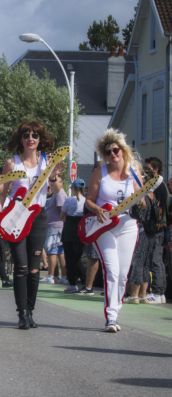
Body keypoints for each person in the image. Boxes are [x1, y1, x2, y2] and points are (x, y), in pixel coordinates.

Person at [0, 120, 61, 329]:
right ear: (20, 139)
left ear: (40, 139)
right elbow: (2, 193)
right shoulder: (12, 163)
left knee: (34, 269)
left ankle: (30, 311)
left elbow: (57, 190)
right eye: (26, 135)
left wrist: (53, 175)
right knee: (20, 267)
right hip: (16, 215)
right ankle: (21, 313)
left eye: (34, 135)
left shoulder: (46, 161)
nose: (30, 139)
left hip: (39, 216)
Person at [85, 128, 143, 332]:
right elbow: (89, 200)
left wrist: (142, 201)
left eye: (116, 150)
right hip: (104, 226)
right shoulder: (100, 171)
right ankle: (110, 316)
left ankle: (116, 311)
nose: (113, 154)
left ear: (123, 149)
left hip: (127, 225)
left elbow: (141, 198)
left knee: (123, 274)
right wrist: (97, 209)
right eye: (108, 152)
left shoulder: (133, 171)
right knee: (112, 270)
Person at [126, 166, 160, 304]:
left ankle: (134, 295)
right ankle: (143, 294)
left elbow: (137, 215)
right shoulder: (153, 194)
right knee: (146, 264)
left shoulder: (142, 194)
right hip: (151, 233)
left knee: (137, 263)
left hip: (141, 231)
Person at [142, 157, 168, 304]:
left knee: (156, 260)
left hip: (156, 228)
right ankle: (158, 291)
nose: (145, 172)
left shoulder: (157, 185)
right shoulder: (160, 184)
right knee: (155, 259)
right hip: (157, 227)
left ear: (155, 169)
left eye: (148, 168)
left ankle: (158, 292)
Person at [60, 179, 89, 294]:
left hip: (69, 231)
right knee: (78, 258)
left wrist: (66, 215)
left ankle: (73, 284)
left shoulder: (69, 200)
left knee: (70, 259)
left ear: (73, 188)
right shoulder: (87, 201)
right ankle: (87, 283)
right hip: (81, 230)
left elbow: (62, 215)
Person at [39, 176, 67, 284]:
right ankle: (62, 276)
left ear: (61, 182)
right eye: (51, 181)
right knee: (60, 251)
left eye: (54, 181)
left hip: (55, 226)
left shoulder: (59, 193)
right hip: (56, 226)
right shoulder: (58, 193)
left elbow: (62, 209)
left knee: (52, 251)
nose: (51, 184)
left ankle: (51, 276)